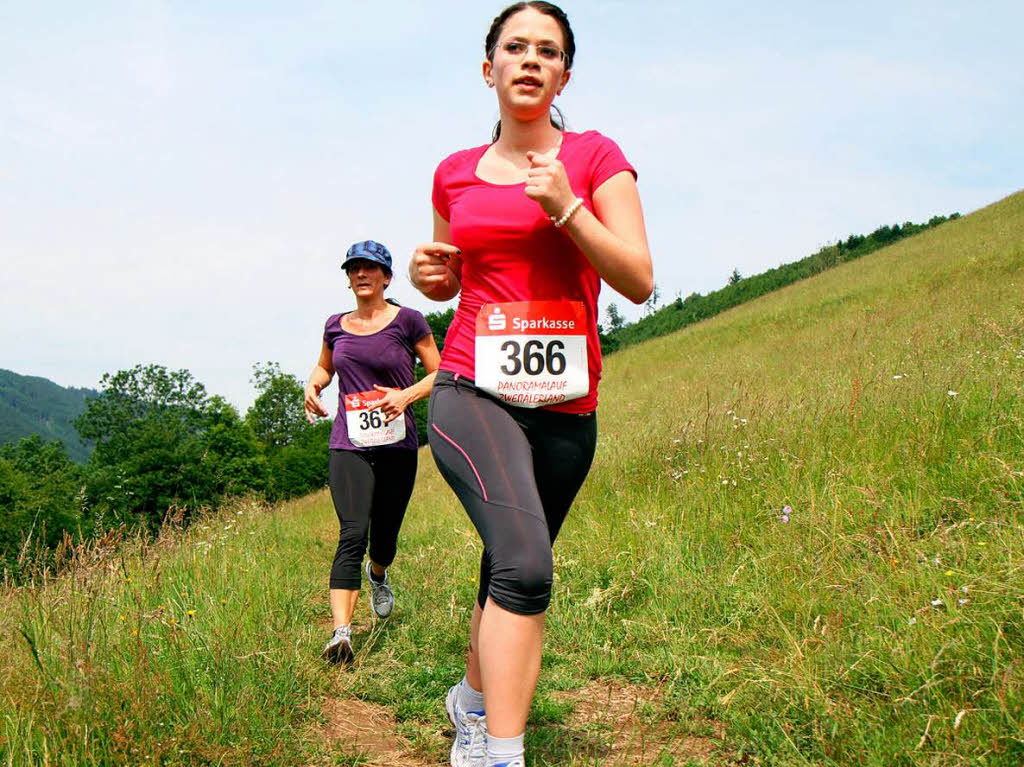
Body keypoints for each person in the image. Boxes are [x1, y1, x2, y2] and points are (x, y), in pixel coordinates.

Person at [408, 3, 653, 765]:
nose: (530, 60)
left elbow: (639, 279)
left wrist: (568, 209)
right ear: (489, 69)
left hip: (566, 406)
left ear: (564, 76)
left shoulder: (594, 157)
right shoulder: (453, 172)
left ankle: (472, 704)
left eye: (547, 51)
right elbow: (451, 275)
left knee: (504, 564)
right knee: (526, 563)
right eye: (515, 47)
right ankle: (502, 753)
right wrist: (431, 277)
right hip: (471, 387)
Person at [306, 239, 440, 664]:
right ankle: (341, 634)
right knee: (351, 532)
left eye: (370, 268)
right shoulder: (335, 324)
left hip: (398, 445)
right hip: (349, 443)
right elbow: (325, 365)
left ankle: (378, 573)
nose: (360, 274)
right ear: (348, 279)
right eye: (353, 269)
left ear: (386, 276)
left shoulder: (409, 321)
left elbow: (442, 372)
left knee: (383, 539)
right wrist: (313, 384)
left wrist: (406, 396)